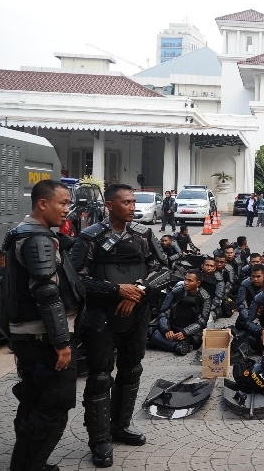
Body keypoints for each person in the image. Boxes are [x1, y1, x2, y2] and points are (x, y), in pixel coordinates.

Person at [72, 183, 171, 467]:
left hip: (136, 314)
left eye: (133, 202)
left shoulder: (143, 234)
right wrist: (116, 291)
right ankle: (99, 439)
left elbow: (163, 269)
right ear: (110, 206)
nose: (132, 207)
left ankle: (121, 426)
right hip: (101, 317)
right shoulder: (90, 237)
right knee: (100, 377)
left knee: (132, 370)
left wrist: (137, 291)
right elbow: (77, 279)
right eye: (126, 202)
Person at [2, 180, 84, 471]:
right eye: (62, 203)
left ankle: (29, 463)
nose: (67, 210)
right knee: (53, 407)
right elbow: (47, 295)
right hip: (42, 338)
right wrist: (61, 343)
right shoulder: (37, 240)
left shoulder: (24, 233)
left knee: (34, 400)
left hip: (31, 336)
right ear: (42, 204)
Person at [148, 269, 211, 355]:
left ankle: (174, 345)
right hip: (173, 327)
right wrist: (166, 329)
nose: (185, 282)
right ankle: (177, 346)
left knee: (196, 340)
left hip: (190, 332)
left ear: (198, 283)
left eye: (190, 281)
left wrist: (185, 332)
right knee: (150, 331)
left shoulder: (205, 297)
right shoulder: (175, 292)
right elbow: (163, 312)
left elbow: (202, 321)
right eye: (185, 279)